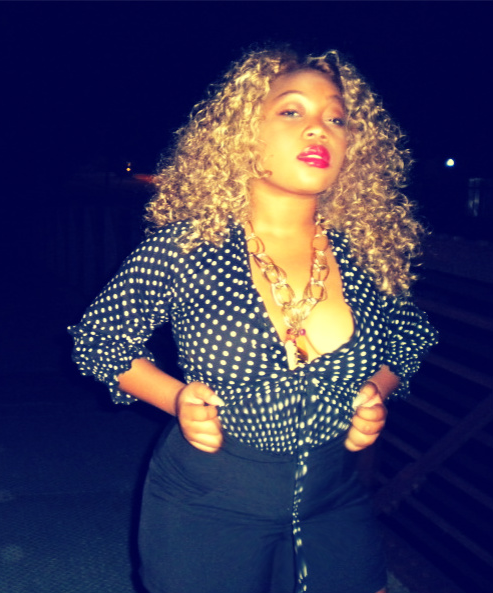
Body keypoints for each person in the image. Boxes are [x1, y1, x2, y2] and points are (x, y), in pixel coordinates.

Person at [68, 47, 437, 593]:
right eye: (292, 110)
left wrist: (375, 392)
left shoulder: (366, 255)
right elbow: (99, 341)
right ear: (243, 132)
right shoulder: (186, 247)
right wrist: (176, 398)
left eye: (336, 118)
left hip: (335, 498)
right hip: (208, 501)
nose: (319, 128)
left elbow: (410, 338)